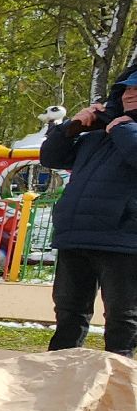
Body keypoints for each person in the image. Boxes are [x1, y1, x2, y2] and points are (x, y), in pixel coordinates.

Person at [44, 66, 137, 356]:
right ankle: (59, 380)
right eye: (127, 89)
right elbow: (51, 157)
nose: (131, 94)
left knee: (122, 319)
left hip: (124, 240)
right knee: (69, 314)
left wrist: (121, 127)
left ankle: (118, 389)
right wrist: (70, 126)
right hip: (76, 237)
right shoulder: (96, 135)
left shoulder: (121, 131)